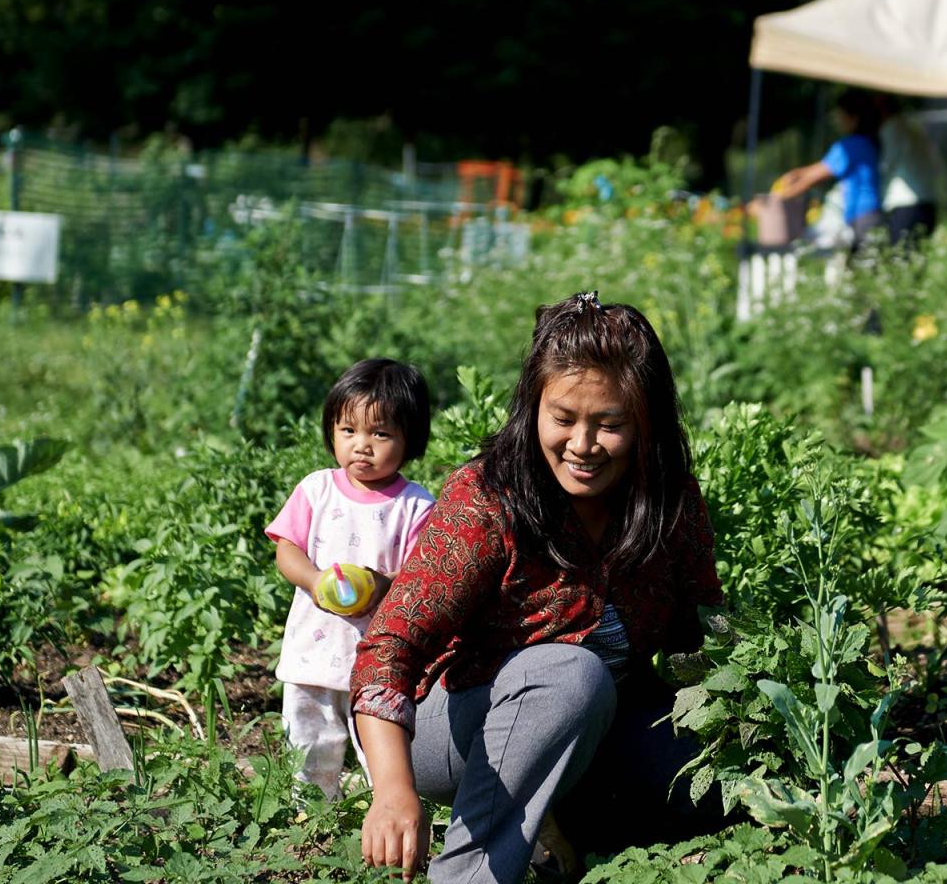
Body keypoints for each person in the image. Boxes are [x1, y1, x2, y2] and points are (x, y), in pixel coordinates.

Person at [351, 293, 726, 883]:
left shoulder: (668, 505)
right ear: (534, 409)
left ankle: (559, 830)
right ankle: (469, 874)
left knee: (711, 780)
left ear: (646, 421)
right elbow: (388, 649)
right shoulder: (489, 498)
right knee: (569, 672)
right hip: (448, 727)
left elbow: (702, 633)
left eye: (610, 424)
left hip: (586, 726)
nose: (582, 445)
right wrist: (394, 793)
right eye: (564, 419)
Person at [265, 358, 436, 800]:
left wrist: (382, 585)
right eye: (348, 431)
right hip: (313, 653)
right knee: (309, 744)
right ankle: (312, 817)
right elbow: (287, 549)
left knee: (382, 750)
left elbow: (422, 574)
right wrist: (315, 579)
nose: (362, 445)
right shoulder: (316, 489)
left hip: (380, 660)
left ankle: (387, 812)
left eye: (380, 433)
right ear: (332, 432)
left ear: (409, 440)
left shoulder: (417, 506)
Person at [771, 92, 884, 246]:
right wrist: (795, 174)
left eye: (840, 116)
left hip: (862, 217)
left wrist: (776, 199)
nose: (838, 121)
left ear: (854, 118)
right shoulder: (867, 142)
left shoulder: (849, 146)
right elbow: (817, 169)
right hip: (873, 215)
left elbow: (815, 177)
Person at [878, 101, 940, 246]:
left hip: (906, 203)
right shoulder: (914, 126)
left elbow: (886, 165)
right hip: (928, 201)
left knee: (899, 258)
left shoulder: (891, 127)